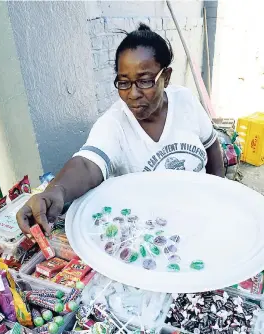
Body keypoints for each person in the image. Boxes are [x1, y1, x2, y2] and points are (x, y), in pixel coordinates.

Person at [17, 23, 224, 236]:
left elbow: (211, 146)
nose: (133, 94)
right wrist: (56, 191)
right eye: (124, 83)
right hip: (154, 236)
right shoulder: (114, 124)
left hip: (201, 219)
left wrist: (218, 194)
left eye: (144, 81)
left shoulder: (185, 101)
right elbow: (88, 165)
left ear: (166, 76)